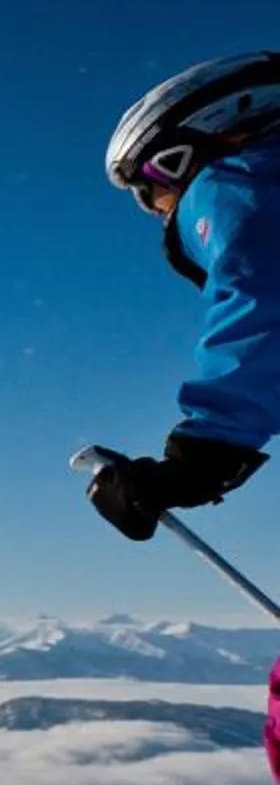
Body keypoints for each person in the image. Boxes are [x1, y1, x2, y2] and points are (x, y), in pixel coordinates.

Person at [88, 54, 280, 542]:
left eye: (152, 192)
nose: (157, 212)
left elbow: (267, 291)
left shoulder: (241, 184)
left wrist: (205, 454)